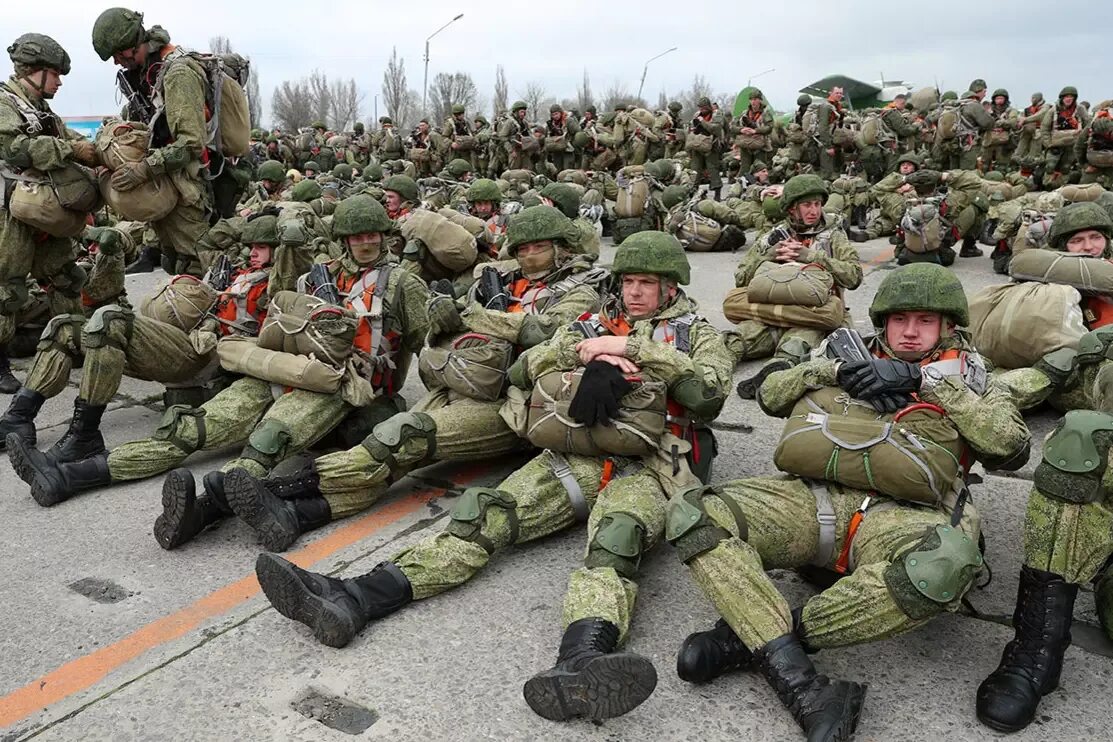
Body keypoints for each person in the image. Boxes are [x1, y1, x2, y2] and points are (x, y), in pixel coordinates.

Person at [253, 231, 733, 723]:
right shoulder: (589, 324)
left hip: (658, 460)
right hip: (584, 448)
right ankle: (354, 597)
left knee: (616, 539)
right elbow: (526, 368)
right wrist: (590, 354)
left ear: (670, 289)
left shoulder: (698, 334)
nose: (634, 293)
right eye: (629, 281)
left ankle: (583, 659)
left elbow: (707, 396)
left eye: (647, 284)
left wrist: (635, 351)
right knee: (486, 513)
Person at [669, 263, 1030, 741]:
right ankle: (797, 676)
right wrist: (837, 369)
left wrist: (924, 383)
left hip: (908, 514)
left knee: (943, 569)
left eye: (925, 321)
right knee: (694, 512)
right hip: (811, 496)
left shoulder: (974, 375)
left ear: (948, 326)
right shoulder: (844, 351)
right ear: (884, 322)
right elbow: (772, 394)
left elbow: (1010, 446)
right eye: (900, 320)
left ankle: (751, 637)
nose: (910, 332)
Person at [221, 205, 608, 552]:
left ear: (562, 248)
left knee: (404, 436)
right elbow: (445, 331)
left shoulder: (582, 291)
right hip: (465, 381)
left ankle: (283, 490)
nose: (527, 255)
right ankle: (299, 515)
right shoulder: (501, 282)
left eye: (537, 247)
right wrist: (448, 318)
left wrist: (469, 317)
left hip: (517, 404)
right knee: (393, 450)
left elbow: (542, 331)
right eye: (521, 248)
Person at [91, 8, 249, 275]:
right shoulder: (148, 75)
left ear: (133, 42)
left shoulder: (177, 74)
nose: (118, 62)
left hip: (191, 186)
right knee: (173, 262)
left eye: (119, 55)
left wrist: (143, 169)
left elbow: (190, 143)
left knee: (198, 269)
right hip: (171, 181)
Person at [0, 33, 98, 393]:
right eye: (54, 74)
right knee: (6, 289)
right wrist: (71, 150)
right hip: (9, 209)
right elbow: (14, 148)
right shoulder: (4, 103)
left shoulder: (40, 110)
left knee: (65, 276)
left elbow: (64, 137)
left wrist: (98, 146)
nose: (59, 81)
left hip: (40, 206)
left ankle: (73, 343)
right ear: (34, 71)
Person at [727, 175, 863, 397]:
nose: (814, 211)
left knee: (795, 345)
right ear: (791, 209)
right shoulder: (774, 236)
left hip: (814, 314)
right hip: (774, 311)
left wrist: (811, 256)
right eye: (807, 205)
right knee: (739, 338)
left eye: (817, 204)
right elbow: (741, 279)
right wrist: (769, 256)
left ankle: (773, 379)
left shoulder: (833, 236)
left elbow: (854, 276)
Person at [688, 96, 725, 197]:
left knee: (713, 169)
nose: (702, 110)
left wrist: (702, 122)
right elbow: (691, 129)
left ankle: (717, 192)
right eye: (700, 107)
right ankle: (693, 191)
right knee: (695, 169)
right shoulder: (696, 115)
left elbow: (715, 128)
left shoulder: (717, 114)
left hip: (711, 145)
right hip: (697, 144)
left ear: (709, 107)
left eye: (704, 108)